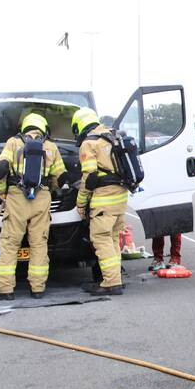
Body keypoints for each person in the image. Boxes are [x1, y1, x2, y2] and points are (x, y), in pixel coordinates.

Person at [0, 112, 67, 301]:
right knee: (39, 243)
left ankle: (5, 290)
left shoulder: (13, 143)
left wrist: (1, 191)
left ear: (24, 127)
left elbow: (1, 169)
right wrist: (50, 189)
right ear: (43, 128)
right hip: (42, 198)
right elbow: (61, 177)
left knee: (10, 243)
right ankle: (38, 288)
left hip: (17, 198)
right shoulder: (51, 146)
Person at [72, 107, 128, 295]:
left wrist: (81, 203)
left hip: (104, 198)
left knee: (101, 238)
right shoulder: (112, 136)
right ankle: (115, 278)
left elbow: (89, 177)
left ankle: (111, 283)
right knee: (112, 238)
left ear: (78, 126)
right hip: (121, 197)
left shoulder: (89, 143)